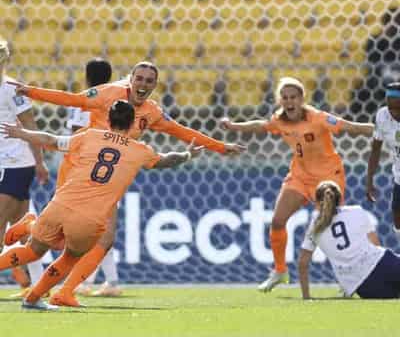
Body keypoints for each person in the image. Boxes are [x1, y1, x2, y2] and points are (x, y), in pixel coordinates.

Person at [7, 61, 245, 300]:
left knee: (95, 238)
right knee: (72, 239)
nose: (143, 84)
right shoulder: (107, 93)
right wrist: (31, 91)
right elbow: (72, 99)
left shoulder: (151, 112)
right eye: (139, 78)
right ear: (130, 78)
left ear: (155, 85)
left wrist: (220, 147)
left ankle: (61, 284)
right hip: (80, 168)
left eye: (149, 81)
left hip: (109, 176)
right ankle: (59, 282)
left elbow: (183, 132)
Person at [0, 99, 204, 310]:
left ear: (108, 119)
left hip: (60, 204)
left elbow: (51, 139)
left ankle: (30, 227)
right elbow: (166, 160)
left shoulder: (89, 136)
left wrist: (22, 133)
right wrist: (188, 154)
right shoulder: (140, 150)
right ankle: (32, 299)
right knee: (70, 257)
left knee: (33, 251)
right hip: (89, 218)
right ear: (133, 123)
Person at [221, 76, 374, 292]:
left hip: (328, 177)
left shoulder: (318, 118)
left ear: (302, 98)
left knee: (330, 228)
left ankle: (346, 276)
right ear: (279, 100)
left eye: (293, 97)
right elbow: (261, 126)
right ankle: (280, 271)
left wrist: (380, 129)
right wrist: (234, 126)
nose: (289, 101)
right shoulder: (279, 119)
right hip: (300, 177)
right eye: (284, 97)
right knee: (277, 221)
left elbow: (350, 127)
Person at [65, 58, 122, 297]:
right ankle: (111, 281)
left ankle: (83, 281)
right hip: (113, 166)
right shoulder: (118, 103)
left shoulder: (82, 100)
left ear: (87, 77)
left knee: (84, 227)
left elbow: (76, 137)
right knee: (102, 225)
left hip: (87, 169)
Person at [0, 39, 49, 294]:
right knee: (21, 231)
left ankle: (36, 284)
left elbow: (30, 126)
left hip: (17, 162)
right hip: (6, 164)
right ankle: (38, 285)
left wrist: (39, 162)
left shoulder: (12, 89)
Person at [298, 180, 400, 299]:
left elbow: (302, 264)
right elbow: (375, 243)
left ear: (316, 203)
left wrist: (306, 296)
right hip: (384, 262)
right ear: (340, 199)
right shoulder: (356, 210)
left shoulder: (314, 228)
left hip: (363, 285)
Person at [367, 82, 400, 235]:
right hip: (399, 176)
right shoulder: (382, 115)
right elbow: (375, 149)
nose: (389, 100)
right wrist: (369, 180)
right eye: (388, 96)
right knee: (397, 220)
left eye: (394, 96)